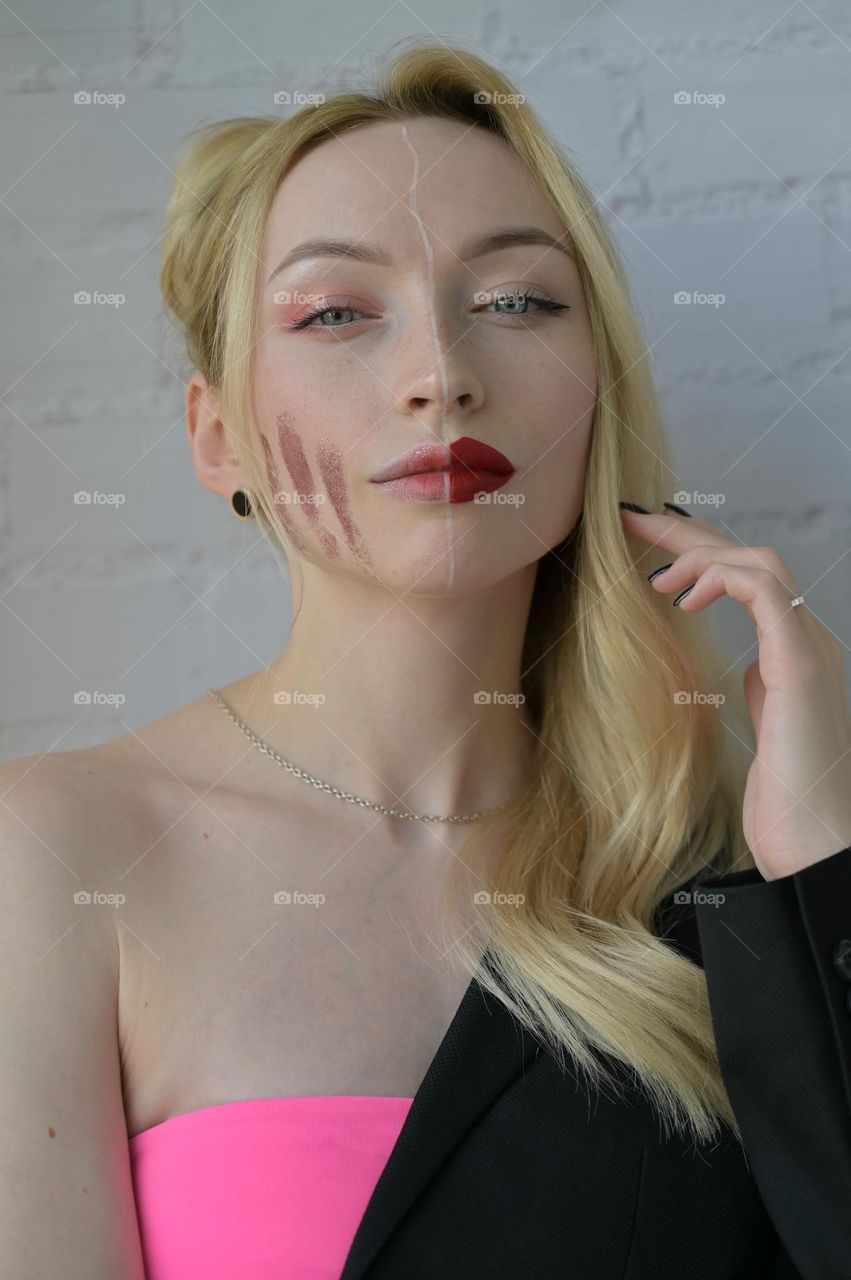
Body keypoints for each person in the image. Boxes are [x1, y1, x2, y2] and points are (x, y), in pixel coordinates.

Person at [3, 37, 851, 1280]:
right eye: (336, 312)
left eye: (515, 302)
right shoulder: (59, 848)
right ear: (218, 437)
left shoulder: (722, 883)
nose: (443, 376)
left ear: (596, 392)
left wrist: (815, 866)